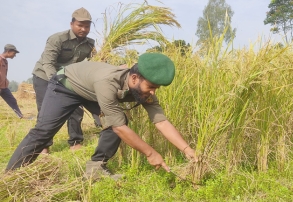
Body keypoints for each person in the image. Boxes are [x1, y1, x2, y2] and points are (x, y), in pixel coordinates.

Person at [6, 53, 197, 179]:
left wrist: (187, 149)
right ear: (134, 78)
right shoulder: (108, 83)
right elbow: (119, 128)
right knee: (44, 131)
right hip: (66, 85)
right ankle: (11, 175)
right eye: (151, 87)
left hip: (91, 91)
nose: (154, 93)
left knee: (117, 122)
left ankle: (95, 168)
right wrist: (150, 153)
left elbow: (161, 122)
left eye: (157, 88)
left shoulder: (143, 90)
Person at [32, 7, 97, 153]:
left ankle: (75, 142)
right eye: (80, 25)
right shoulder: (57, 39)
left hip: (69, 78)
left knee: (75, 108)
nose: (83, 29)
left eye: (87, 26)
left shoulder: (90, 44)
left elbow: (94, 63)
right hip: (44, 76)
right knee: (45, 111)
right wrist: (55, 83)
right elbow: (48, 63)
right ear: (71, 24)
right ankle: (44, 146)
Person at [0, 44, 24, 119]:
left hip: (4, 87)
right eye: (14, 53)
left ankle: (20, 116)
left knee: (12, 100)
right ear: (8, 51)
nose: (14, 55)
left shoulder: (5, 61)